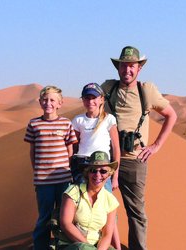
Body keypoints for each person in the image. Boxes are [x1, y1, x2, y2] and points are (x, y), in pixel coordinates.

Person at [101, 46, 177, 249]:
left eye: (132, 66)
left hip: (135, 160)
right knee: (101, 207)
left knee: (136, 212)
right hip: (106, 160)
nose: (127, 70)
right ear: (118, 68)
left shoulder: (147, 91)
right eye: (124, 65)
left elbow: (171, 115)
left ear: (139, 68)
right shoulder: (107, 88)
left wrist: (156, 146)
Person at [24, 85, 78, 250]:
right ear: (40, 102)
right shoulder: (34, 124)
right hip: (43, 182)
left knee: (65, 217)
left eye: (52, 100)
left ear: (60, 103)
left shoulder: (65, 123)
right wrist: (38, 173)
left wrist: (69, 172)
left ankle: (64, 246)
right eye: (45, 100)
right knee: (45, 217)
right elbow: (32, 152)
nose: (48, 103)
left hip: (64, 180)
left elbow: (70, 151)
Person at [71, 82, 121, 249]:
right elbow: (74, 146)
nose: (90, 101)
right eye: (86, 97)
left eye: (94, 97)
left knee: (107, 209)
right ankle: (83, 244)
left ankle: (115, 246)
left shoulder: (109, 119)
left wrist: (115, 176)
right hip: (83, 166)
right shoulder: (78, 120)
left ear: (101, 99)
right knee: (80, 207)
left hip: (102, 168)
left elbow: (116, 148)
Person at [59, 151, 119, 250]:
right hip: (73, 244)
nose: (97, 175)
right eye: (93, 170)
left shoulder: (111, 201)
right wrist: (88, 247)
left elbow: (107, 235)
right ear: (87, 173)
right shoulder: (73, 192)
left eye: (103, 171)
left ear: (109, 174)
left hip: (96, 246)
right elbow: (66, 224)